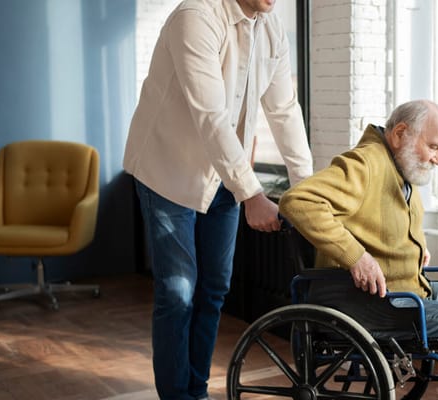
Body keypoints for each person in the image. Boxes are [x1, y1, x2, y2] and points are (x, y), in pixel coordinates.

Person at [122, 0, 312, 398]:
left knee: (213, 289)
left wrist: (307, 188)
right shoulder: (197, 18)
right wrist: (253, 194)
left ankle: (196, 389)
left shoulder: (271, 26)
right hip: (168, 172)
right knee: (178, 292)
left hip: (225, 176)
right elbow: (211, 117)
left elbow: (284, 110)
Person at [279, 99, 438, 399]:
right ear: (400, 134)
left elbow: (388, 222)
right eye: (434, 147)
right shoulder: (365, 163)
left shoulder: (402, 171)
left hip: (409, 287)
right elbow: (298, 201)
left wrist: (416, 247)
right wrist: (357, 257)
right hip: (373, 301)